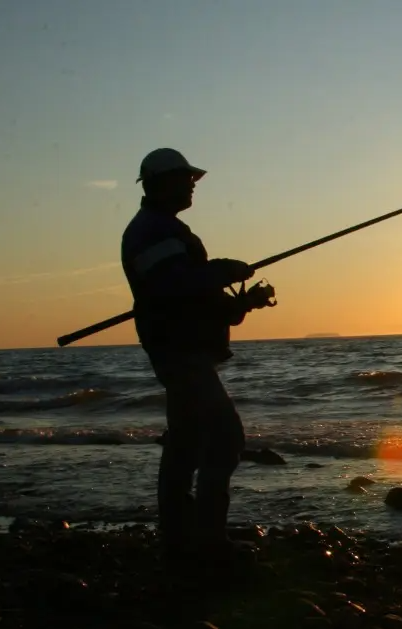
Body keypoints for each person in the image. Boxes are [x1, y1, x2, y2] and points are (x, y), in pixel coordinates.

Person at [121, 148, 274, 563]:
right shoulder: (151, 231)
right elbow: (173, 286)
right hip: (180, 352)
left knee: (185, 444)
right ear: (162, 182)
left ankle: (177, 539)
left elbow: (190, 299)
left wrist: (244, 303)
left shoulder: (164, 229)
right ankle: (207, 540)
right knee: (225, 438)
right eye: (186, 178)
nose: (192, 185)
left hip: (186, 349)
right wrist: (223, 269)